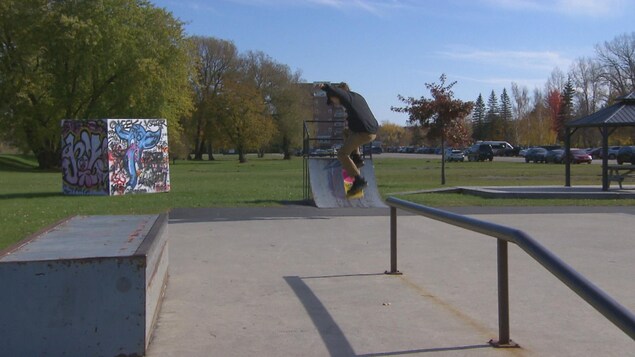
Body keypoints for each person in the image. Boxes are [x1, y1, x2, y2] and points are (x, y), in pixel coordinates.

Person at [319, 82, 379, 196]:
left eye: (332, 101)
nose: (334, 104)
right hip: (370, 130)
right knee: (346, 132)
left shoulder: (346, 97)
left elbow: (338, 92)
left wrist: (325, 87)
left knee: (342, 154)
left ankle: (358, 180)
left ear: (338, 95)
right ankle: (356, 158)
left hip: (364, 133)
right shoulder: (357, 97)